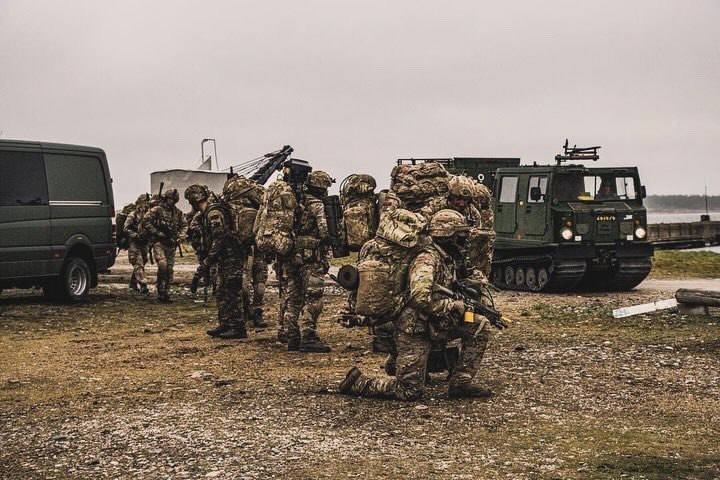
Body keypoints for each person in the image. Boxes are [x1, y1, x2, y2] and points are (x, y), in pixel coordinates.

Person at [340, 209, 493, 400]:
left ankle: (461, 383)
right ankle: (360, 382)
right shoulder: (427, 259)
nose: (465, 240)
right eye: (461, 235)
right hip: (414, 329)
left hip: (435, 324)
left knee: (479, 325)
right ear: (449, 236)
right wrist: (452, 306)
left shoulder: (446, 257)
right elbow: (419, 297)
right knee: (409, 391)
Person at [283, 170, 333, 353]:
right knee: (313, 297)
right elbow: (325, 231)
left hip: (291, 256)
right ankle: (308, 336)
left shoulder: (295, 202)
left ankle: (292, 337)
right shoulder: (317, 205)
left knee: (293, 298)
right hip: (311, 258)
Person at [198, 188, 248, 339]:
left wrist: (209, 259)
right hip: (224, 257)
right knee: (221, 291)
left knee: (232, 291)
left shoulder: (214, 213)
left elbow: (219, 238)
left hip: (231, 256)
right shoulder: (210, 211)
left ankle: (238, 327)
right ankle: (226, 323)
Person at [140, 188, 186, 302]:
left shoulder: (178, 212)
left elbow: (184, 226)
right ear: (166, 198)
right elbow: (145, 221)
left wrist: (180, 236)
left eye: (174, 200)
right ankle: (160, 290)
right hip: (159, 242)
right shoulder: (157, 210)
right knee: (162, 265)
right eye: (170, 199)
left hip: (171, 244)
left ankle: (166, 292)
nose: (172, 202)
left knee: (169, 269)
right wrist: (156, 232)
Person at [184, 184, 212, 295]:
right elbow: (192, 226)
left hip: (207, 242)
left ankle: (207, 283)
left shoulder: (210, 210)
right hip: (201, 243)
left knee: (209, 264)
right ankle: (199, 279)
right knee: (205, 264)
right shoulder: (198, 214)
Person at [123, 193, 151, 294]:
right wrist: (135, 235)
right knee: (138, 263)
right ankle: (143, 285)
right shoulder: (133, 215)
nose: (146, 205)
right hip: (134, 243)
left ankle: (133, 283)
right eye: (144, 202)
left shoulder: (148, 214)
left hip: (144, 243)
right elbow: (126, 228)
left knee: (142, 262)